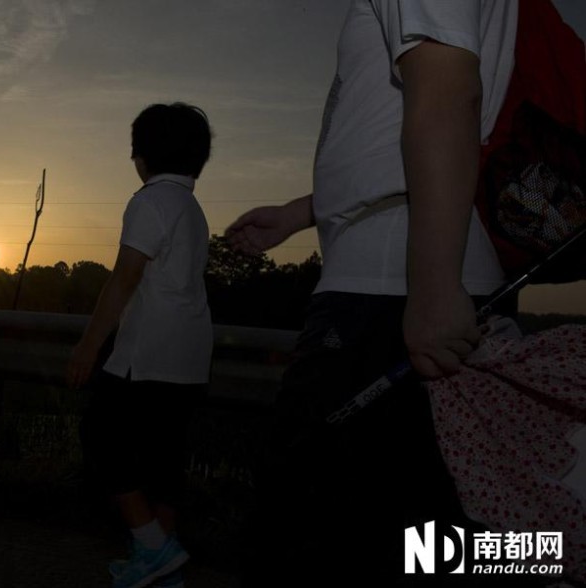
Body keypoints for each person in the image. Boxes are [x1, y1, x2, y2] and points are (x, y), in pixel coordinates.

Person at [225, 2, 542, 585]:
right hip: (404, 272)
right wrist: (300, 214)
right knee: (424, 540)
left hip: (392, 287)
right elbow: (387, 130)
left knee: (300, 536)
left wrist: (434, 285)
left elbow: (446, 91)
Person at [67, 102, 213, 588]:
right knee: (163, 458)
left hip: (147, 353)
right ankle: (160, 568)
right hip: (191, 354)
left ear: (141, 156)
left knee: (102, 435)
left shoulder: (149, 202)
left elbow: (123, 279)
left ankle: (152, 547)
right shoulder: (192, 207)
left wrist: (89, 345)